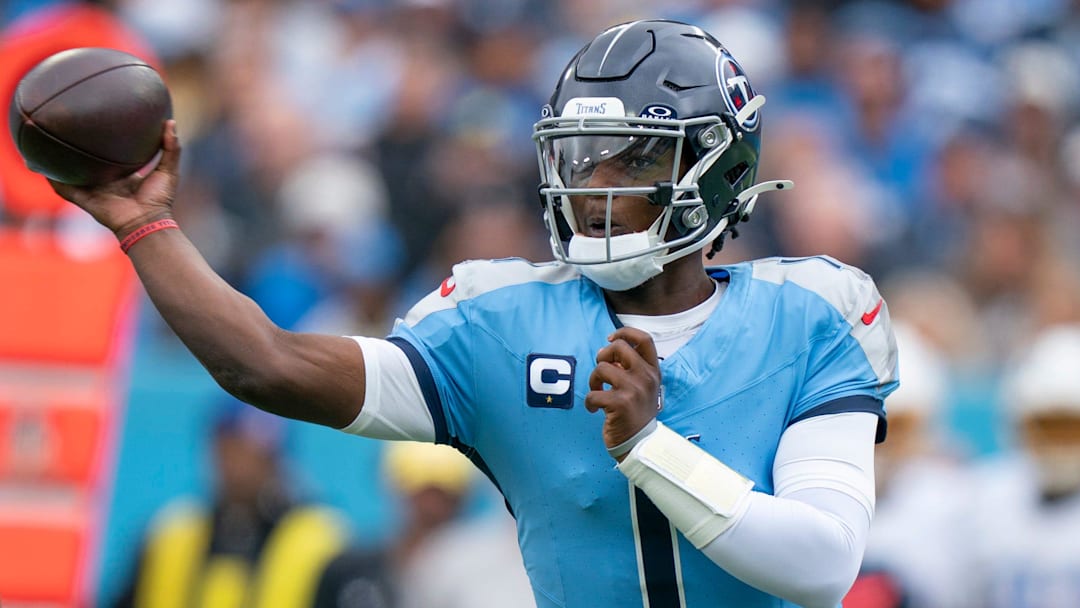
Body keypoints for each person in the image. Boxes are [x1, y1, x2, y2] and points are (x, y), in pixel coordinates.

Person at [52, 19, 898, 608]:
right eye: (581, 158)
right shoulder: (499, 321)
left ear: (720, 170)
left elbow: (821, 564)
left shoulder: (815, 314)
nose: (593, 187)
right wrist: (143, 225)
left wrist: (649, 447)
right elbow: (265, 363)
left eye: (632, 159)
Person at [112, 399, 395, 608]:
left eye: (253, 453)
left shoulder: (323, 541)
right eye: (229, 449)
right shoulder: (173, 533)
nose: (238, 467)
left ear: (278, 459)